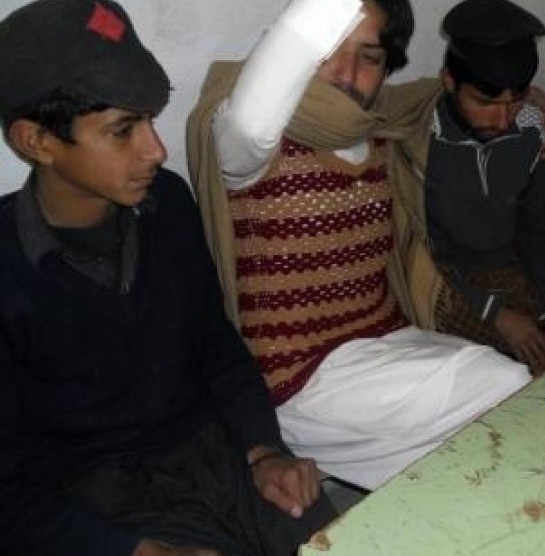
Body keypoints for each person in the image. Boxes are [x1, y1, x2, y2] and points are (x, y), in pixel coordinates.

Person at [0, 1, 335, 555]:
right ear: (37, 141)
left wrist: (263, 450)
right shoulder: (8, 268)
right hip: (93, 503)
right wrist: (132, 550)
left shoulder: (168, 203)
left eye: (151, 120)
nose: (156, 149)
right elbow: (8, 491)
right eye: (122, 130)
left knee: (338, 540)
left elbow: (215, 344)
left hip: (212, 455)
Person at [187, 0, 531, 491]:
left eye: (369, 57)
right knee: (503, 386)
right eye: (328, 51)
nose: (345, 74)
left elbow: (443, 91)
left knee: (488, 437)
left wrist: (528, 97)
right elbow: (255, 109)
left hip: (386, 341)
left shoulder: (378, 129)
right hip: (300, 376)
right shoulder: (249, 142)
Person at [410, 0, 545, 375]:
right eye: (484, 102)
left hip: (511, 278)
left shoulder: (531, 130)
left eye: (515, 101)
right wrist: (495, 315)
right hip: (442, 288)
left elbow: (541, 231)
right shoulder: (417, 138)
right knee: (486, 378)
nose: (501, 120)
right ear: (449, 81)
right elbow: (419, 250)